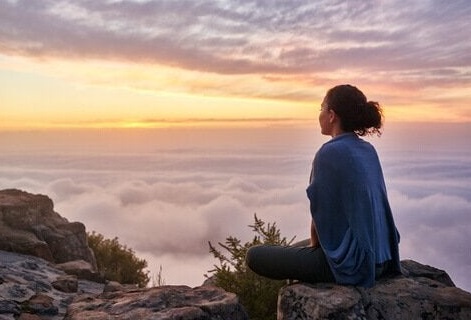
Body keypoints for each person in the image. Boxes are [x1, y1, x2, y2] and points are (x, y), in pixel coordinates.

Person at [246, 84, 401, 287]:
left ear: (331, 116)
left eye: (321, 108)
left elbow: (320, 222)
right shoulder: (368, 150)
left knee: (254, 256)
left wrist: (315, 251)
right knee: (294, 248)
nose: (319, 114)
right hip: (383, 258)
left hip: (356, 265)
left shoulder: (329, 153)